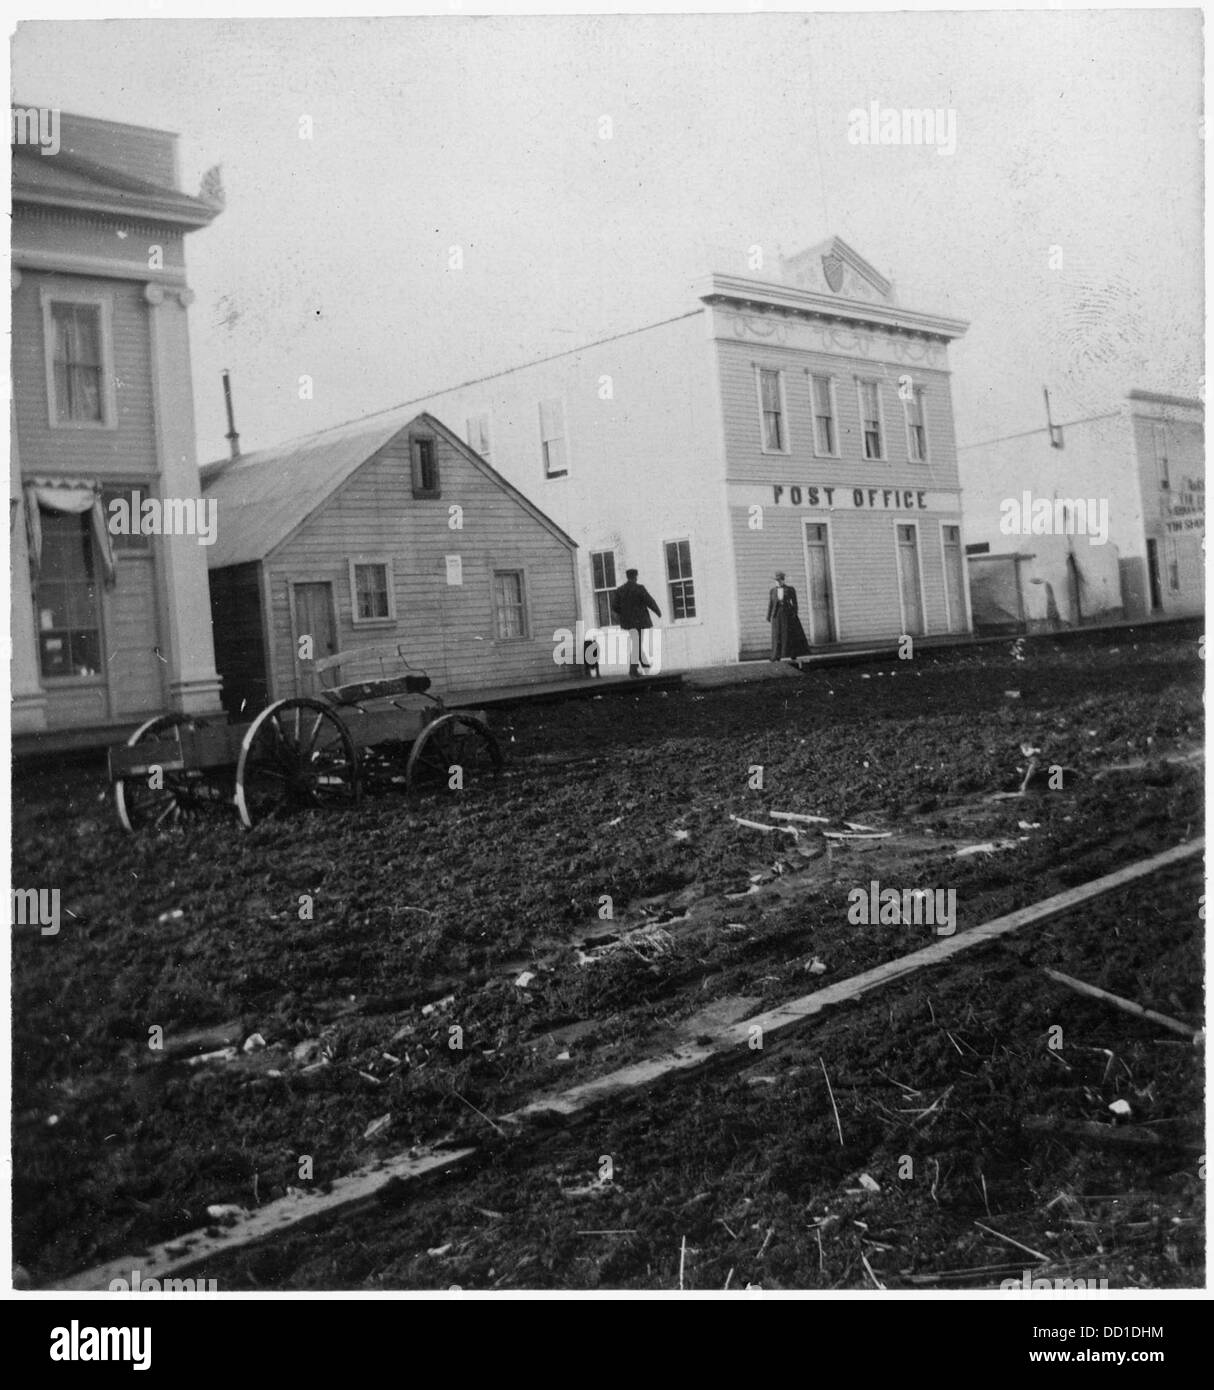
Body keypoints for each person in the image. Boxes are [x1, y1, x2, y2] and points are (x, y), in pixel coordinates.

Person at [611, 568, 662, 677]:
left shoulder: (620, 590)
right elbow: (649, 601)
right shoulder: (639, 588)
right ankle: (633, 669)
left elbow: (615, 607)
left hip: (628, 622)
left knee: (636, 643)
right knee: (637, 644)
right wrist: (658, 611)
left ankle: (644, 664)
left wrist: (624, 615)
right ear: (635, 576)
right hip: (640, 621)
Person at [767, 570, 811, 661]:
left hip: (787, 614)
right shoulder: (772, 591)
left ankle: (792, 654)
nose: (778, 582)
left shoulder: (790, 589)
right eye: (776, 580)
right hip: (776, 615)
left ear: (783, 580)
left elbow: (795, 603)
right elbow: (770, 604)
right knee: (777, 636)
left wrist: (795, 613)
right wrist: (768, 616)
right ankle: (776, 656)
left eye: (780, 580)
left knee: (789, 635)